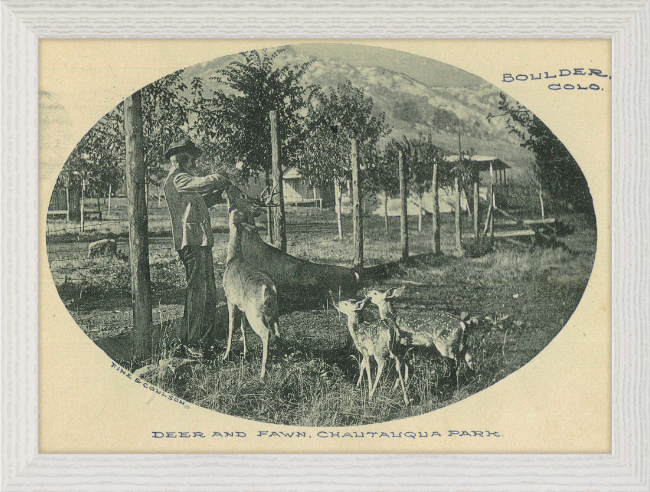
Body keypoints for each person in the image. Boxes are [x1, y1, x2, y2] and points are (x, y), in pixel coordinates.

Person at [163, 137, 230, 358]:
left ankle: (204, 341)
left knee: (206, 293)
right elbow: (202, 183)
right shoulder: (178, 179)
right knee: (199, 294)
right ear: (182, 160)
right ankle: (195, 343)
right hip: (191, 243)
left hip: (198, 242)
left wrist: (214, 196)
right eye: (192, 160)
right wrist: (219, 178)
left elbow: (197, 201)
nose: (195, 164)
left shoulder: (184, 182)